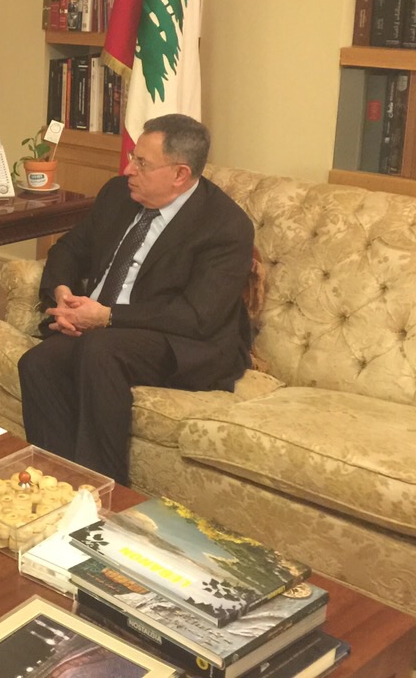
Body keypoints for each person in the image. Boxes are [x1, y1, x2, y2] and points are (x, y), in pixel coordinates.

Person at [17, 113, 253, 486]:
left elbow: (196, 315)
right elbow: (69, 249)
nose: (129, 170)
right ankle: (57, 484)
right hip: (105, 326)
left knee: (99, 350)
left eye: (142, 163)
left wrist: (106, 317)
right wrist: (64, 296)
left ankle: (103, 489)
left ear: (180, 174)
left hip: (178, 338)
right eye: (132, 157)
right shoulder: (118, 195)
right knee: (37, 362)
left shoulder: (224, 225)